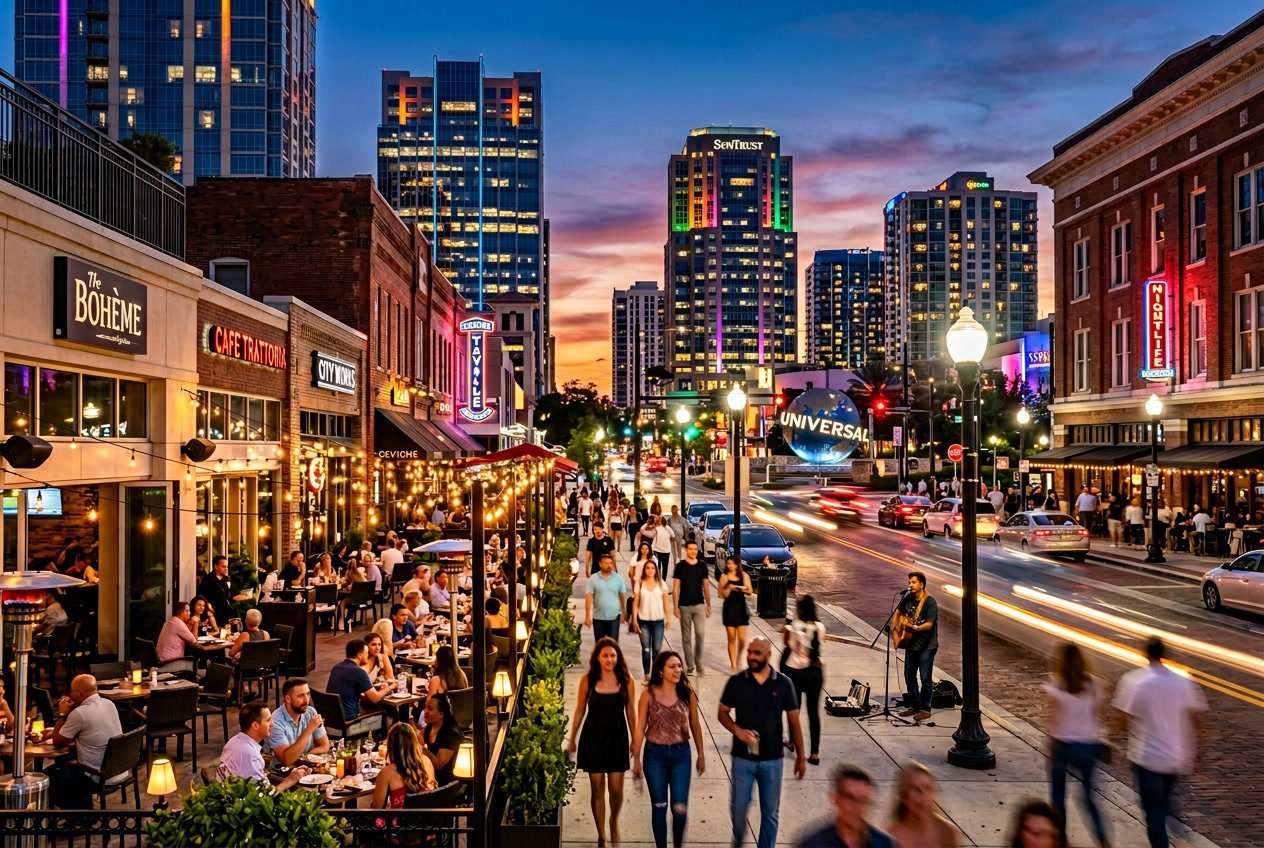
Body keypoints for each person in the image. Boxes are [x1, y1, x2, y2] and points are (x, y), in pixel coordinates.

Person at [1112, 636, 1206, 848]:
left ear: (1145, 654)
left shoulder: (1135, 681)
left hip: (1147, 757)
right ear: (1165, 654)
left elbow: (1121, 717)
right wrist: (1198, 749)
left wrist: (1114, 741)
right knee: (1163, 800)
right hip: (1175, 757)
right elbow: (1197, 718)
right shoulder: (1183, 682)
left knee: (1153, 813)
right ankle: (1179, 831)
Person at [719, 637, 805, 848]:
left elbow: (794, 722)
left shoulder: (784, 684)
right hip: (742, 759)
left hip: (772, 759)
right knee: (739, 810)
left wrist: (801, 757)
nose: (751, 656)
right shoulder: (737, 682)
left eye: (757, 653)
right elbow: (722, 713)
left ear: (768, 655)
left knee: (770, 814)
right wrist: (738, 731)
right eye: (749, 652)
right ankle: (738, 837)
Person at [567, 637, 636, 848]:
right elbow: (580, 709)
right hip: (593, 738)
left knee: (616, 791)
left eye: (613, 655)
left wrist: (636, 739)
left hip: (617, 738)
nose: (609, 659)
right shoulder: (588, 680)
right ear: (597, 657)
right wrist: (572, 738)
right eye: (605, 655)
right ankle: (602, 835)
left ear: (618, 657)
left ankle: (613, 820)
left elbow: (630, 711)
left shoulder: (626, 680)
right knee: (597, 788)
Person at [632, 650, 705, 848]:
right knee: (659, 806)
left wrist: (701, 754)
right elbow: (640, 728)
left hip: (681, 755)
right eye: (672, 666)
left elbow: (695, 725)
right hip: (655, 755)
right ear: (661, 671)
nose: (678, 670)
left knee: (680, 808)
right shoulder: (648, 694)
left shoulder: (686, 693)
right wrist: (636, 757)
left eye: (679, 666)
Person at [1042, 643, 1109, 847]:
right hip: (1088, 745)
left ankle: (1060, 839)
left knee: (1058, 798)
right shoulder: (1093, 685)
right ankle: (1101, 838)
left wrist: (1049, 748)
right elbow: (1098, 716)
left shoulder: (1056, 686)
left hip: (1063, 744)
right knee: (1089, 797)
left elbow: (1053, 720)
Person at [46, 675, 124, 809]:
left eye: (71, 692)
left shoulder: (80, 713)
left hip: (98, 776)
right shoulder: (109, 703)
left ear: (79, 693)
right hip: (119, 770)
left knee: (47, 777)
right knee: (63, 766)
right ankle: (83, 812)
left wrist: (62, 714)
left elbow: (58, 742)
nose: (69, 695)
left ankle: (80, 817)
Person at [797, 764, 896, 848]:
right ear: (835, 799)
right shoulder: (813, 844)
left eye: (863, 800)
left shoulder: (885, 844)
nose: (856, 807)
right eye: (850, 798)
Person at [218, 700, 307, 790]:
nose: (272, 724)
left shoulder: (233, 742)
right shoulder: (250, 755)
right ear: (255, 726)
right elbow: (266, 797)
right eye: (268, 720)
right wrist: (291, 779)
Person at [782, 595, 825, 766]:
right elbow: (821, 644)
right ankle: (815, 753)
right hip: (814, 671)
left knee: (794, 710)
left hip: (795, 670)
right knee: (814, 713)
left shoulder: (794, 625)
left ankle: (792, 742)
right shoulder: (819, 626)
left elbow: (787, 644)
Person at [886, 761, 958, 848]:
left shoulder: (946, 831)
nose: (924, 796)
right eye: (917, 790)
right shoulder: (891, 837)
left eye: (928, 788)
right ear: (904, 797)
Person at [897, 571, 938, 722]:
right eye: (909, 582)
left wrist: (915, 628)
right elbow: (898, 613)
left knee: (925, 678)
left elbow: (929, 624)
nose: (910, 585)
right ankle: (914, 705)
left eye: (913, 582)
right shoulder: (908, 599)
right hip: (911, 644)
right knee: (909, 676)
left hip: (927, 645)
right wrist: (899, 626)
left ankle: (925, 708)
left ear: (922, 584)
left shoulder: (930, 602)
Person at [265, 678, 331, 766]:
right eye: (301, 696)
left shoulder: (311, 712)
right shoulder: (276, 722)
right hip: (283, 773)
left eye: (308, 694)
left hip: (307, 767)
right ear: (288, 699)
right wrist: (309, 729)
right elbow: (287, 760)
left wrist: (305, 757)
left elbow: (325, 746)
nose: (306, 700)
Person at [371, 722, 437, 807]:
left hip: (401, 819)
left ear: (391, 746)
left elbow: (376, 809)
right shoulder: (427, 761)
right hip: (427, 818)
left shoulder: (387, 773)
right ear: (414, 742)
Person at [326, 638, 391, 720]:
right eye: (366, 653)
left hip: (332, 718)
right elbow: (375, 698)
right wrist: (391, 686)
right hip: (350, 720)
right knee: (383, 713)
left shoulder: (336, 667)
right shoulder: (358, 671)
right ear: (359, 655)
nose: (368, 655)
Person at [672, 541, 711, 677]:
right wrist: (675, 606)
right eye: (691, 549)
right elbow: (676, 587)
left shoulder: (702, 566)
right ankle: (690, 666)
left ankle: (699, 662)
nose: (693, 551)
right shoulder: (680, 566)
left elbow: (706, 586)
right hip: (684, 606)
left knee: (700, 634)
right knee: (686, 638)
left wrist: (708, 604)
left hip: (699, 605)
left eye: (695, 549)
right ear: (685, 550)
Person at [631, 559, 670, 682]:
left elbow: (666, 603)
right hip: (644, 622)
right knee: (646, 648)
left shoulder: (661, 584)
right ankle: (647, 674)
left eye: (653, 568)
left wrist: (668, 618)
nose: (650, 570)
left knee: (657, 650)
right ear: (644, 570)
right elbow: (635, 603)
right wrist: (635, 620)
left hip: (658, 622)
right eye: (648, 568)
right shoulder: (640, 583)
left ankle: (656, 674)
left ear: (656, 570)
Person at [419, 692, 463, 785]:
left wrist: (420, 746)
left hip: (446, 784)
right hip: (430, 775)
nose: (425, 711)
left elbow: (438, 765)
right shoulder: (430, 727)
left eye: (430, 708)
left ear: (441, 714)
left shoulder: (450, 734)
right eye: (425, 707)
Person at [718, 556, 752, 673]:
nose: (730, 566)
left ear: (737, 564)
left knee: (742, 640)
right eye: (728, 564)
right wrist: (729, 588)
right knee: (731, 638)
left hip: (741, 609)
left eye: (732, 564)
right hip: (729, 609)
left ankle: (738, 658)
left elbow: (750, 591)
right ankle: (733, 664)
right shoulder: (724, 576)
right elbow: (722, 595)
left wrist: (742, 589)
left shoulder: (744, 576)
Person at [585, 553, 628, 643]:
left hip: (614, 618)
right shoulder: (593, 579)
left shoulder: (619, 578)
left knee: (613, 644)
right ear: (600, 564)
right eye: (606, 563)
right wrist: (587, 616)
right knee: (600, 645)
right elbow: (589, 597)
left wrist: (624, 613)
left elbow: (622, 597)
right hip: (598, 618)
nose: (609, 566)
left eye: (611, 563)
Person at [156, 601, 215, 666]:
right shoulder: (178, 623)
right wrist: (196, 623)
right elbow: (194, 641)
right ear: (180, 612)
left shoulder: (171, 621)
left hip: (160, 659)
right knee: (195, 662)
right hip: (170, 662)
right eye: (187, 611)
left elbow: (186, 634)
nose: (189, 613)